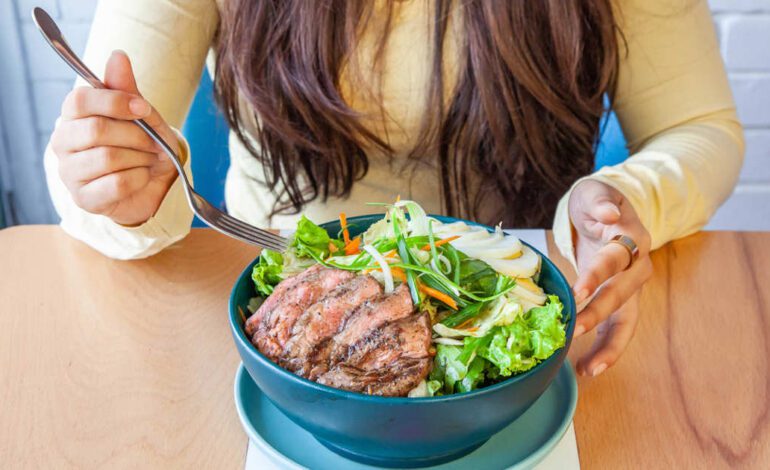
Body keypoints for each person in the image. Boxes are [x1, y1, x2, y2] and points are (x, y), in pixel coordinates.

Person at [45, 0, 744, 377]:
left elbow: (700, 127)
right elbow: (101, 130)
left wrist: (628, 201)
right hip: (276, 302)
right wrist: (114, 189)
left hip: (515, 309)